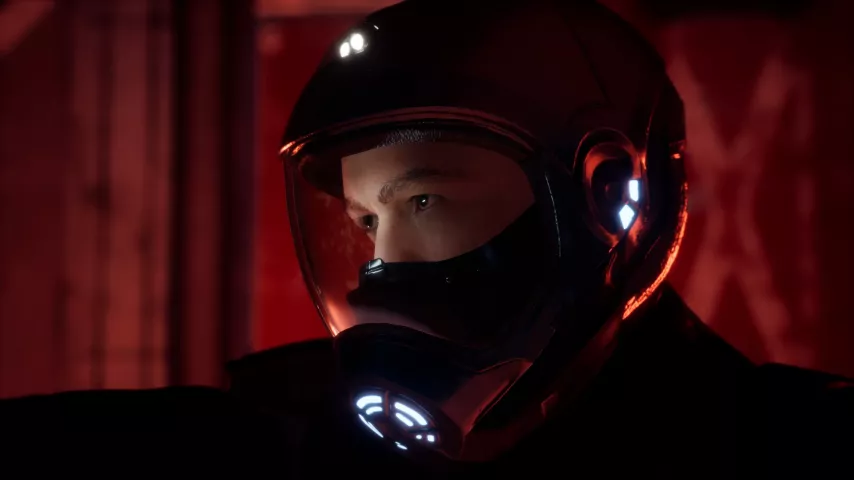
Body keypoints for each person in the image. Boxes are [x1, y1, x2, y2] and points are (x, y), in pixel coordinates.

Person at [2, 0, 852, 477]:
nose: (383, 266)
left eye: (425, 199)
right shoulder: (278, 446)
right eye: (367, 222)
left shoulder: (798, 455)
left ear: (609, 198)